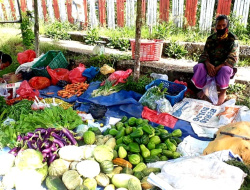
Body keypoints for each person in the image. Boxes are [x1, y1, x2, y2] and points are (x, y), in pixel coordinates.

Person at [191, 15, 239, 105]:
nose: (221, 27)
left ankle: (222, 93)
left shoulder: (232, 39)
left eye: (224, 25)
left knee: (226, 69)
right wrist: (208, 64)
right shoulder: (211, 39)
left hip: (223, 67)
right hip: (211, 66)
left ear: (227, 26)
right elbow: (204, 54)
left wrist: (219, 67)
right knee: (199, 67)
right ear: (215, 27)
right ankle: (204, 89)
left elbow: (233, 58)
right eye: (219, 25)